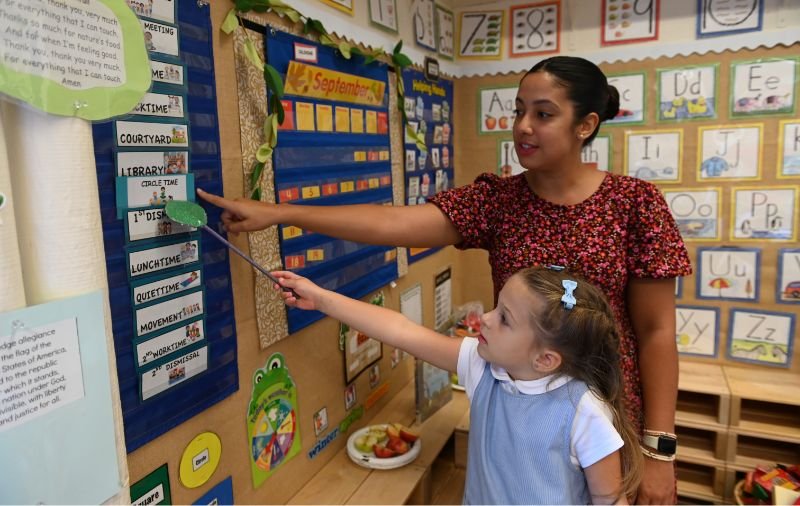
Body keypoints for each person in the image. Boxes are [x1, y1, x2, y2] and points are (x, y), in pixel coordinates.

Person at [197, 55, 691, 502]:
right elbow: (393, 224)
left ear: (585, 125)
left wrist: (658, 450)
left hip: (606, 422)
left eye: (543, 114)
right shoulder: (497, 201)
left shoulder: (636, 204)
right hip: (516, 410)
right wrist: (278, 212)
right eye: (518, 110)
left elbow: (656, 333)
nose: (522, 126)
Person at [272, 266, 643, 504]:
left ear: (545, 359)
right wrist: (321, 298)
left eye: (504, 319)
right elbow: (399, 330)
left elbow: (610, 501)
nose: (485, 318)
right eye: (496, 307)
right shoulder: (482, 366)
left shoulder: (584, 412)